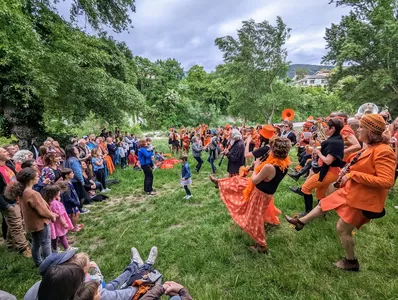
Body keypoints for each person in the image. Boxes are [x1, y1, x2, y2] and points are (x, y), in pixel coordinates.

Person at [286, 114, 396, 271]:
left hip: (363, 198)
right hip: (352, 190)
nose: (357, 130)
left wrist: (352, 175)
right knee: (324, 203)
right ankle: (301, 222)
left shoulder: (383, 151)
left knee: (342, 228)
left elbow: (386, 181)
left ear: (371, 131)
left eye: (361, 127)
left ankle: (351, 262)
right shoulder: (370, 147)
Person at [211, 137, 292, 254]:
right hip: (266, 193)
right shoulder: (284, 164)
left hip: (260, 195)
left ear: (274, 150)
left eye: (271, 148)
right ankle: (220, 183)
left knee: (254, 218)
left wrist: (257, 166)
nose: (269, 150)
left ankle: (261, 245)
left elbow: (255, 180)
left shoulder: (269, 167)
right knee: (238, 181)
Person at [289, 118, 345, 215]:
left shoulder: (334, 142)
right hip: (331, 171)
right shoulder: (336, 139)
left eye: (327, 127)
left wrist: (318, 152)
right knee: (320, 193)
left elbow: (328, 161)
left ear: (332, 129)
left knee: (305, 188)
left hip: (329, 172)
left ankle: (308, 212)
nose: (325, 128)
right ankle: (322, 212)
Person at [5, 167, 56, 267]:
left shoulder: (22, 192)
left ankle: (38, 262)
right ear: (30, 179)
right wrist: (52, 215)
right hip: (40, 223)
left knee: (36, 243)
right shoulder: (33, 193)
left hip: (31, 223)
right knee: (46, 243)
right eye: (37, 176)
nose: (39, 178)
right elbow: (42, 210)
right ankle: (50, 265)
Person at [0, 147, 31, 257]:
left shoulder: (7, 167)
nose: (7, 152)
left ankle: (10, 244)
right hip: (8, 202)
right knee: (17, 225)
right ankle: (24, 248)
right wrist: (6, 205)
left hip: (15, 199)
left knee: (13, 223)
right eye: (4, 152)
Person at [41, 185, 76, 252]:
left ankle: (55, 249)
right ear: (55, 194)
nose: (59, 192)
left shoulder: (48, 202)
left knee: (54, 237)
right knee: (62, 236)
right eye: (58, 191)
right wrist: (64, 223)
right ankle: (67, 248)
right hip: (59, 224)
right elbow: (60, 215)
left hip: (53, 224)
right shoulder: (56, 204)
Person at [64, 145, 89, 215]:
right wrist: (82, 181)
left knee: (75, 195)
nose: (77, 150)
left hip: (70, 180)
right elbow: (77, 172)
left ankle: (78, 209)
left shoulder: (67, 160)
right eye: (75, 149)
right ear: (73, 151)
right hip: (76, 181)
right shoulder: (74, 160)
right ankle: (80, 209)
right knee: (81, 196)